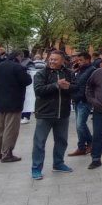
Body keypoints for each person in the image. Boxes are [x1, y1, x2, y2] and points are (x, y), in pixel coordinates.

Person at [31, 51, 77, 180]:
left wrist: (69, 87)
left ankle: (58, 163)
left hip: (63, 113)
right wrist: (56, 85)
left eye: (55, 60)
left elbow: (76, 88)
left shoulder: (68, 73)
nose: (52, 62)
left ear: (62, 61)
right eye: (50, 59)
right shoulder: (41, 73)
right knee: (39, 142)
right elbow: (38, 91)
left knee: (62, 141)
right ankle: (36, 169)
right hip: (45, 114)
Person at [0, 50, 32, 162]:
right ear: (18, 57)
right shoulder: (18, 67)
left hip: (0, 101)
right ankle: (7, 153)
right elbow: (27, 81)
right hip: (14, 101)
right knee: (11, 128)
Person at [67, 52, 96, 157]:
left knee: (80, 125)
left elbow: (87, 86)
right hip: (77, 100)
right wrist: (73, 71)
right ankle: (81, 147)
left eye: (81, 60)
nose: (78, 62)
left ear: (88, 60)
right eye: (77, 60)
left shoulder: (92, 70)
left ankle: (91, 142)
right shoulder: (80, 71)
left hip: (84, 101)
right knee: (78, 126)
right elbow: (75, 84)